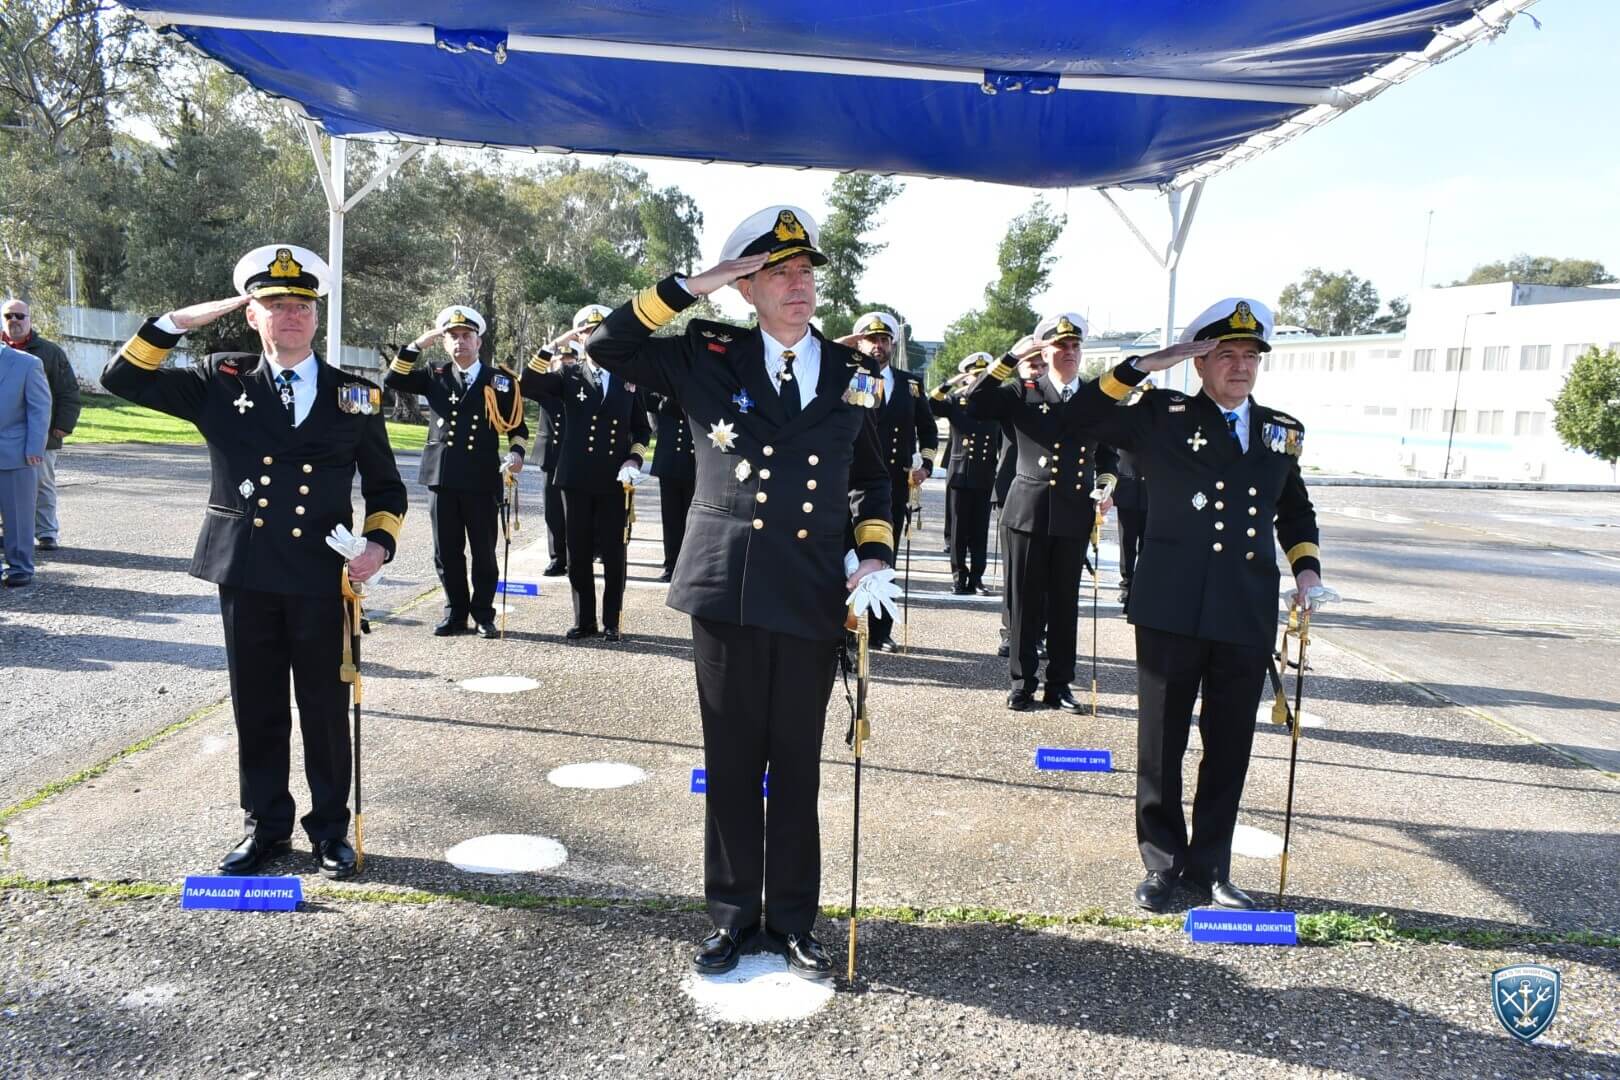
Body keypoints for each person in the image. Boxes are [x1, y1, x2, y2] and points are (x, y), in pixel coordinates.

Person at [585, 204, 893, 981]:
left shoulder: (856, 374)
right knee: (729, 761)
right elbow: (608, 343)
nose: (799, 285)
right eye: (779, 273)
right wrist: (696, 285)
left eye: (805, 272)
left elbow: (873, 479)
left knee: (796, 762)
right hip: (728, 581)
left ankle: (791, 921)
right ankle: (730, 918)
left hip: (813, 588)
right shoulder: (706, 354)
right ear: (746, 287)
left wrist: (874, 554)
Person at [100, 243, 407, 879]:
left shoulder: (357, 395)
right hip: (247, 568)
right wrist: (177, 322)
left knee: (324, 708)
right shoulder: (220, 380)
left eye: (301, 306)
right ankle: (264, 827)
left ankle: (329, 829)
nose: (289, 315)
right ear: (252, 315)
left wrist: (377, 546)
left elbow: (387, 489)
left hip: (325, 574)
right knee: (258, 706)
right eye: (273, 305)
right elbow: (121, 379)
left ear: (316, 318)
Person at [1069, 297, 1324, 913]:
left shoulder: (1279, 430)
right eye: (1224, 355)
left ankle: (1212, 867)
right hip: (1172, 604)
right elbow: (1080, 419)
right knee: (1162, 741)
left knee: (1229, 743)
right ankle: (1164, 865)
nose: (1239, 367)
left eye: (1249, 356)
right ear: (1200, 364)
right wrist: (1144, 366)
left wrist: (1307, 572)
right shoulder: (1160, 413)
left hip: (1245, 607)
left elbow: (1294, 510)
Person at [966, 314, 1108, 713]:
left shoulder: (1094, 397)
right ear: (1043, 351)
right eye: (1060, 347)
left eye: (1075, 346)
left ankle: (1059, 684)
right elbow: (975, 403)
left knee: (1065, 604)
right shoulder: (1022, 391)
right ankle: (1022, 682)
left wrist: (1108, 483)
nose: (1069, 353)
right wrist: (1011, 357)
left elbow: (1109, 450)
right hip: (1027, 510)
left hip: (1074, 511)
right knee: (1025, 603)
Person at [385, 306, 528, 638]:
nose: (460, 342)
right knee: (446, 551)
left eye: (466, 336)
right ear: (445, 342)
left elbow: (517, 426)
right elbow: (394, 379)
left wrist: (518, 453)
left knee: (483, 552)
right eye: (452, 337)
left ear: (478, 341)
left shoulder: (500, 381)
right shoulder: (434, 374)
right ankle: (455, 613)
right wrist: (417, 345)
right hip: (442, 476)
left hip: (480, 477)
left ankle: (483, 614)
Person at [520, 304, 651, 642]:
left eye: (598, 331)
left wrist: (633, 461)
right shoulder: (568, 375)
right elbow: (528, 385)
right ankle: (584, 620)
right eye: (585, 332)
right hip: (575, 477)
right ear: (577, 338)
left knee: (614, 554)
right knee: (577, 552)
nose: (591, 337)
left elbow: (641, 430)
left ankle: (612, 621)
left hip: (613, 479)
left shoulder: (629, 377)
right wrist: (555, 343)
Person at [840, 311, 935, 652]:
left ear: (892, 344)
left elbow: (927, 428)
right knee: (848, 553)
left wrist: (925, 464)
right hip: (853, 482)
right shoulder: (848, 377)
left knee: (884, 555)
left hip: (893, 484)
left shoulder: (910, 384)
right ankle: (846, 630)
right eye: (871, 339)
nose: (877, 346)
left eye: (884, 340)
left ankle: (881, 630)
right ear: (859, 342)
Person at [1, 300, 80, 552]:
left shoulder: (48, 352)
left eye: (19, 316)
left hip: (42, 433)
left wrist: (62, 425)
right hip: (6, 435)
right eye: (8, 315)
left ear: (30, 319)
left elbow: (67, 391)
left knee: (42, 483)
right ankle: (9, 533)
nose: (14, 320)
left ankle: (46, 532)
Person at [929, 352, 1001, 595]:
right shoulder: (955, 401)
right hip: (960, 472)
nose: (978, 379)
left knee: (980, 531)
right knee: (959, 530)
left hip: (985, 474)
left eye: (982, 375)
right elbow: (932, 404)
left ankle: (977, 578)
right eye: (973, 375)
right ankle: (959, 577)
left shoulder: (995, 403)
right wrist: (952, 382)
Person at [0, 340, 50, 586]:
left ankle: (20, 566)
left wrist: (34, 447)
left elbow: (39, 408)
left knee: (17, 515)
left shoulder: (27, 363)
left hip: (15, 451)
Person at [647, 386, 695, 582]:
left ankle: (690, 565)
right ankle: (671, 564)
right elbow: (649, 404)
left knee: (692, 518)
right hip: (669, 460)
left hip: (693, 462)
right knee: (671, 518)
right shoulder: (661, 384)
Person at [535, 386, 567, 576]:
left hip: (574, 457)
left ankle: (575, 558)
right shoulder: (545, 386)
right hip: (551, 456)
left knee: (575, 513)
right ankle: (557, 558)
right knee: (553, 511)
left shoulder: (580, 383)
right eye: (560, 361)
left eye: (569, 361)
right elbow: (526, 385)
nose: (564, 365)